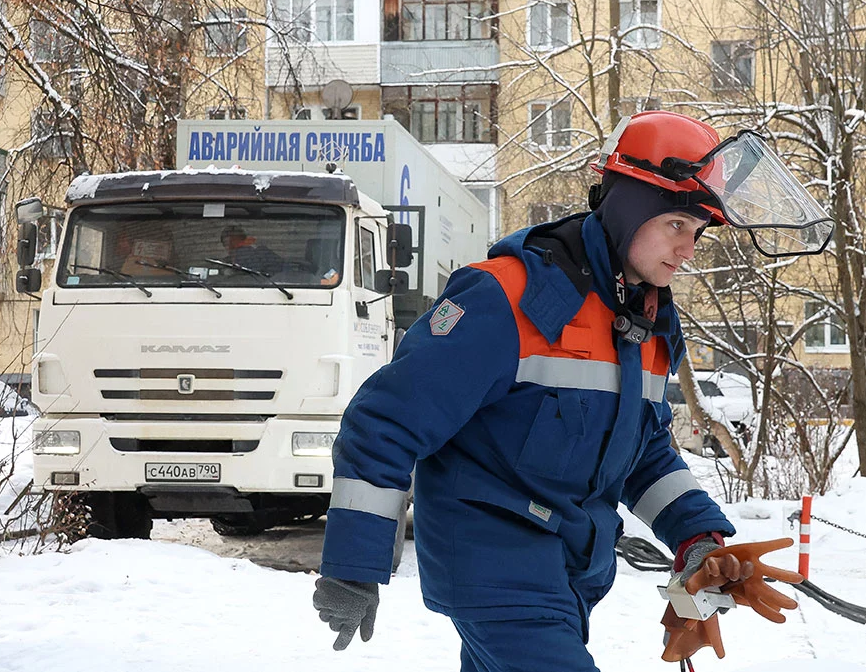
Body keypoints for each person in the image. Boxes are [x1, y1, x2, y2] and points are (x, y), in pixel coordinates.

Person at [312, 111, 834, 669]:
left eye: (698, 233)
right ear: (632, 211)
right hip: (492, 570)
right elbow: (385, 422)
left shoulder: (648, 324)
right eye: (676, 225)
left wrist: (697, 537)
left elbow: (645, 452)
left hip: (567, 577)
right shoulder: (505, 299)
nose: (687, 248)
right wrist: (353, 566)